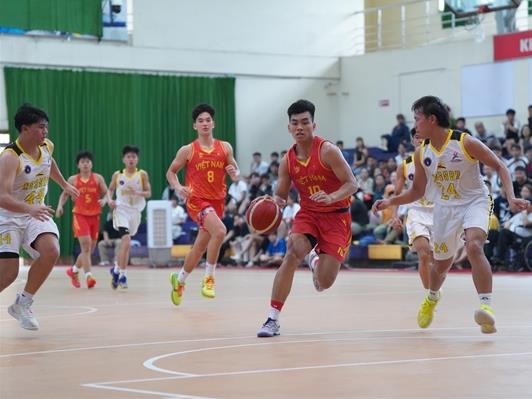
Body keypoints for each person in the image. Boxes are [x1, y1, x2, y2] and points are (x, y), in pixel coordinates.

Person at [373, 96, 528, 334]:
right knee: (441, 266)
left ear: (431, 120)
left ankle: (486, 308)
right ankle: (432, 297)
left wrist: (510, 196)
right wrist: (391, 201)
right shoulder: (421, 153)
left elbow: (499, 165)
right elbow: (417, 191)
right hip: (445, 208)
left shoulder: (465, 142)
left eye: (417, 119)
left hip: (475, 201)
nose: (415, 125)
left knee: (475, 247)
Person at [257, 99, 358, 337]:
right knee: (292, 252)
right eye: (295, 123)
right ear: (289, 127)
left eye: (305, 122)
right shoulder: (287, 161)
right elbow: (281, 197)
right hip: (309, 215)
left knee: (324, 283)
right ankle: (272, 319)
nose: (300, 127)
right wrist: (271, 205)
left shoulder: (328, 151)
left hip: (337, 217)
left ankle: (315, 262)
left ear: (314, 124)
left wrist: (332, 196)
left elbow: (352, 183)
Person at [0, 104, 79, 330]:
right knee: (8, 274)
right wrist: (29, 208)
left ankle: (22, 303)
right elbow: (2, 197)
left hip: (35, 213)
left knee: (51, 250)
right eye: (40, 127)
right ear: (25, 129)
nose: (45, 132)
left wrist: (64, 184)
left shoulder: (46, 146)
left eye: (46, 127)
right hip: (8, 217)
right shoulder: (10, 157)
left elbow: (48, 163)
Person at [166, 103, 240, 306]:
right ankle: (209, 278)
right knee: (220, 231)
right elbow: (171, 172)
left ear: (213, 123)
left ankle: (179, 280)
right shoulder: (188, 150)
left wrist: (236, 173)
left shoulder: (225, 147)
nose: (205, 123)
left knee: (198, 248)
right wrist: (178, 186)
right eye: (201, 121)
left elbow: (235, 169)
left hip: (217, 202)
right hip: (196, 201)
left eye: (208, 120)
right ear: (195, 126)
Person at [56, 151, 107, 289]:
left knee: (89, 250)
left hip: (95, 216)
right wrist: (60, 205)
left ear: (92, 164)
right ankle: (89, 276)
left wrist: (105, 199)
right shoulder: (73, 180)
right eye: (82, 161)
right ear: (78, 165)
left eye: (88, 161)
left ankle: (73, 271)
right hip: (80, 215)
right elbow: (65, 194)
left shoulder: (98, 179)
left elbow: (107, 192)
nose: (85, 164)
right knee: (86, 246)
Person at [393, 128, 434, 290]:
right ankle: (430, 297)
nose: (421, 140)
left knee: (438, 260)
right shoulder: (403, 166)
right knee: (423, 255)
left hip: (439, 212)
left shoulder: (440, 162)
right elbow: (397, 193)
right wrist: (395, 215)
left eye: (424, 137)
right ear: (412, 141)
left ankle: (434, 288)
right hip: (416, 212)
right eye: (417, 138)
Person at [107, 145, 151, 289]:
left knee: (126, 244)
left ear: (137, 159)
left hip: (135, 211)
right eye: (128, 157)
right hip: (121, 210)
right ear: (124, 159)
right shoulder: (118, 174)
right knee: (126, 241)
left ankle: (116, 270)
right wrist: (109, 200)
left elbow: (148, 192)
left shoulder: (142, 174)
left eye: (133, 157)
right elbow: (110, 190)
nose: (131, 159)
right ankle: (123, 275)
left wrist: (138, 193)